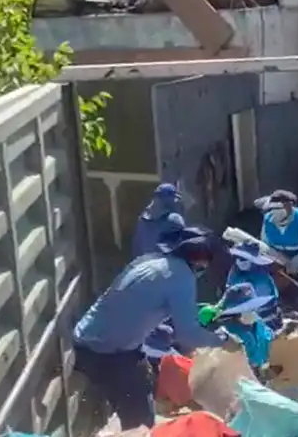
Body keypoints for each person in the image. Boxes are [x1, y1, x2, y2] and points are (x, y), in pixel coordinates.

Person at [72, 227, 225, 429]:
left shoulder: (149, 261)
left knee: (142, 380)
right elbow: (188, 334)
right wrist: (222, 341)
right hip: (109, 353)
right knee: (141, 421)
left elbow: (134, 303)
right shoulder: (182, 277)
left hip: (87, 337)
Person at [211, 282, 276, 376]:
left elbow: (270, 339)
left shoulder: (259, 324)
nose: (251, 311)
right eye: (245, 309)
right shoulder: (225, 336)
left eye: (252, 308)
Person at [260, 189, 298, 271]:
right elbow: (265, 244)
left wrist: (296, 262)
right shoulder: (267, 219)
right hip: (277, 263)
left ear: (290, 206)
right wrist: (278, 259)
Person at [227, 240, 283, 330]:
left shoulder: (261, 278)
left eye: (243, 258)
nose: (239, 261)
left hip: (267, 320)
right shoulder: (234, 272)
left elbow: (261, 303)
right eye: (237, 257)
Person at [131, 182, 185, 258]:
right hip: (167, 267)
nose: (176, 201)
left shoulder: (142, 220)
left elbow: (136, 250)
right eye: (174, 198)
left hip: (144, 266)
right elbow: (183, 248)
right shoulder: (174, 219)